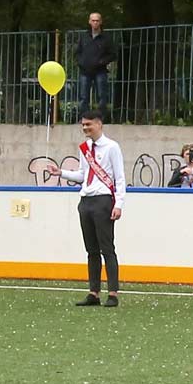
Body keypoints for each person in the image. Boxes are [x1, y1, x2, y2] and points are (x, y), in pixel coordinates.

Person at [61, 111, 126, 308]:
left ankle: (113, 293)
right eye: (83, 125)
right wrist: (61, 173)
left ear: (99, 124)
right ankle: (94, 292)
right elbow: (83, 175)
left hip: (103, 200)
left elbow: (119, 178)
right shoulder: (85, 148)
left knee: (107, 248)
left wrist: (118, 204)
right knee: (91, 250)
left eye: (88, 124)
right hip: (86, 200)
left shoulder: (112, 147)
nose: (85, 128)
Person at [73, 11, 116, 120]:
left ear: (101, 22)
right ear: (89, 22)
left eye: (97, 20)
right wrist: (81, 62)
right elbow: (77, 52)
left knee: (102, 96)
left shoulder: (106, 38)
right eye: (93, 20)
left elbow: (113, 54)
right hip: (85, 71)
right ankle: (84, 118)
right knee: (83, 97)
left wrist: (102, 62)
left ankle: (101, 118)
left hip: (100, 71)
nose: (95, 23)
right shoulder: (84, 37)